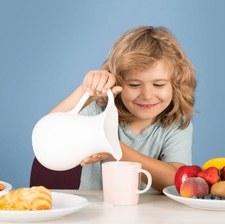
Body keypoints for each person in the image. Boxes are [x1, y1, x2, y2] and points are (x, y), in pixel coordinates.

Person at [51, 26, 196, 192]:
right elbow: (48, 134)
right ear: (117, 83)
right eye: (134, 85)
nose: (147, 95)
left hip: (155, 216)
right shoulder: (99, 112)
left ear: (175, 84)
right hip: (96, 213)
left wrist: (113, 148)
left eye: (159, 84)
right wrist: (86, 91)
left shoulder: (176, 123)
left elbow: (176, 180)